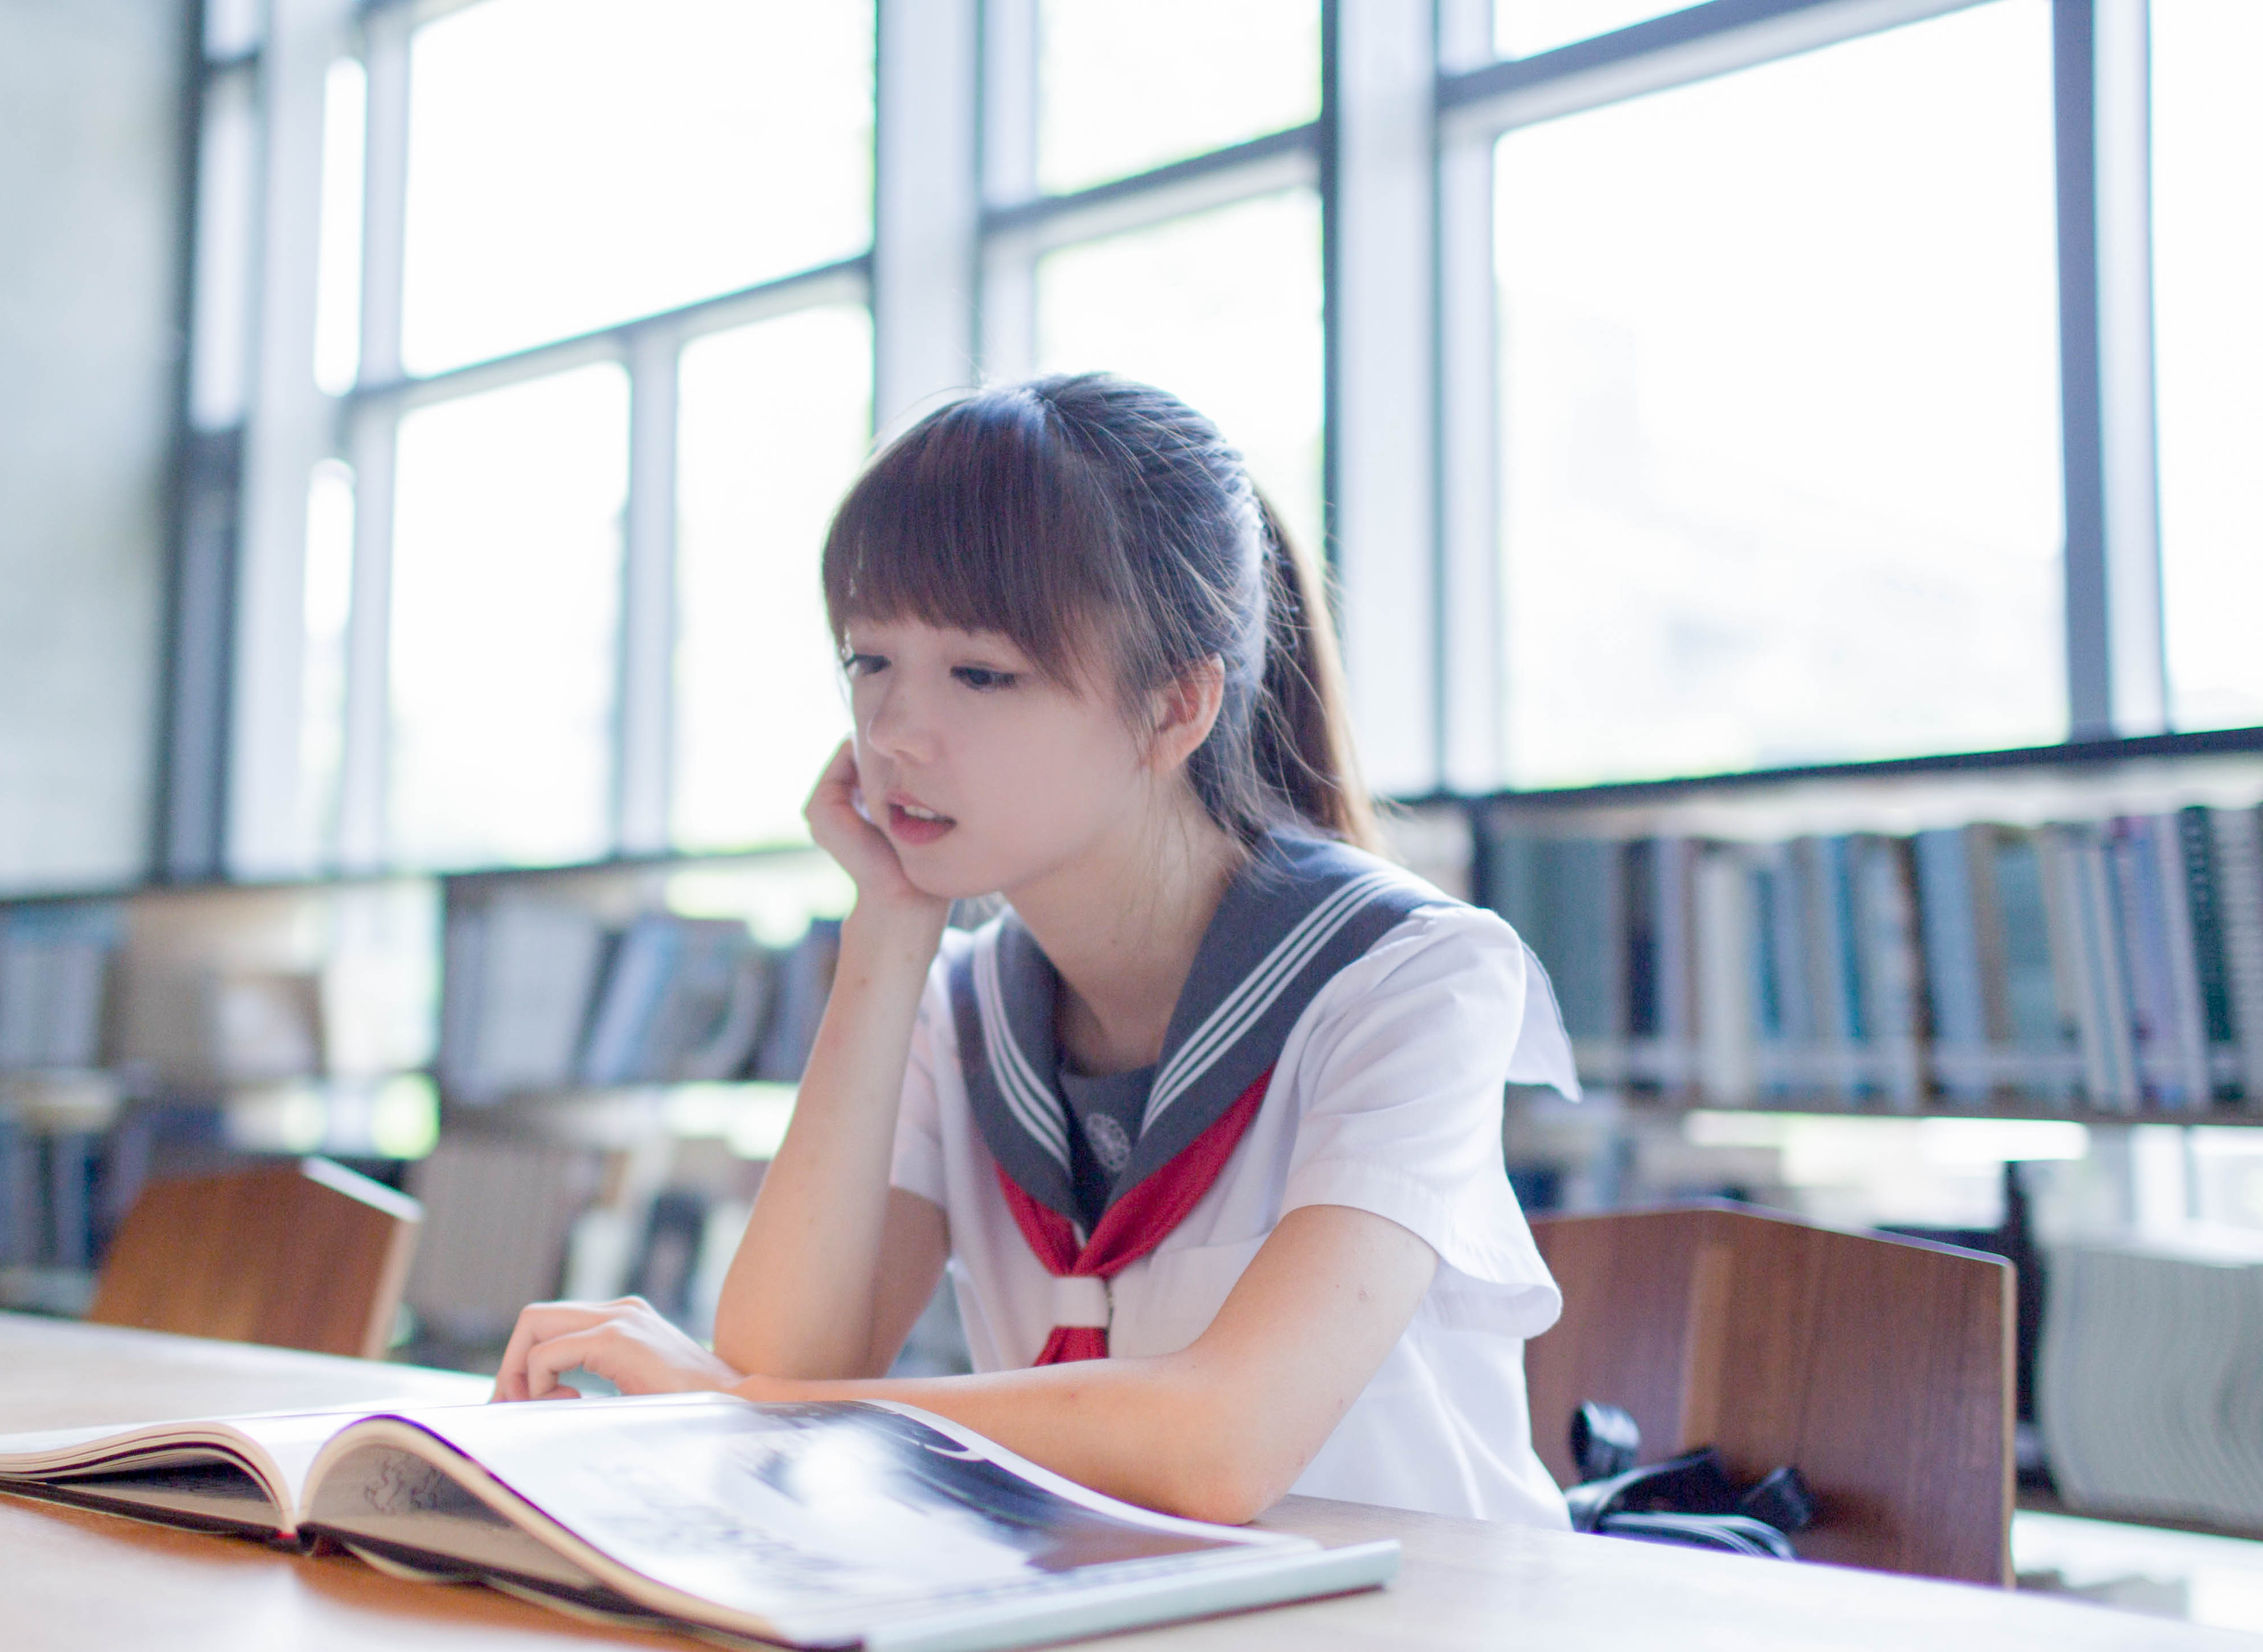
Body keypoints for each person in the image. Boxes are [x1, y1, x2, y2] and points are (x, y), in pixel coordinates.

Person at [493, 372, 1577, 1529]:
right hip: (1105, 1632)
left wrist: (800, 1408)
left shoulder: (1415, 978)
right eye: (870, 661)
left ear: (1175, 709)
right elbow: (783, 1351)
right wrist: (890, 924)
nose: (897, 733)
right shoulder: (961, 1004)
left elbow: (1220, 1446)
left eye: (980, 673)